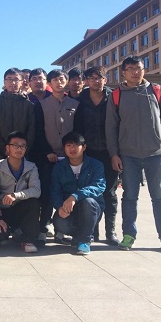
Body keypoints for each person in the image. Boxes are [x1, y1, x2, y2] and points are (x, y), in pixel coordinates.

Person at [106, 56, 161, 253]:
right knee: (129, 197)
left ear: (143, 70)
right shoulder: (117, 95)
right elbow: (111, 128)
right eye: (130, 69)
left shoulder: (156, 90)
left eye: (138, 68)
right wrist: (114, 154)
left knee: (160, 196)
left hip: (156, 153)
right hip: (128, 155)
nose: (135, 72)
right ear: (123, 73)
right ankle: (129, 235)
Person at [73, 66, 119, 245]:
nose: (95, 81)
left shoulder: (114, 97)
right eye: (91, 78)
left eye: (99, 77)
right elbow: (77, 129)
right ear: (86, 81)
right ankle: (92, 231)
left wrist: (117, 152)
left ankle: (110, 231)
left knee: (110, 193)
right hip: (89, 153)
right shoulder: (80, 101)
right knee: (90, 192)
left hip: (110, 152)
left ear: (105, 80)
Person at [34, 69, 79, 245]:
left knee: (66, 193)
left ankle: (62, 230)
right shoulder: (41, 105)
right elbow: (38, 131)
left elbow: (78, 131)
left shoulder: (75, 104)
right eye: (55, 80)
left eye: (61, 79)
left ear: (66, 81)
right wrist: (47, 151)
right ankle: (43, 229)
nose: (58, 83)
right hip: (49, 157)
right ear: (49, 84)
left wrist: (72, 152)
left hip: (69, 158)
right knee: (46, 194)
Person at [50, 132, 105, 255]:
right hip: (69, 211)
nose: (72, 149)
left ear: (84, 147)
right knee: (59, 222)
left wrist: (75, 196)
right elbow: (54, 191)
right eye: (68, 145)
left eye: (76, 145)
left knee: (88, 202)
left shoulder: (96, 165)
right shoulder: (59, 168)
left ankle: (84, 241)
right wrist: (59, 207)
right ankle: (78, 236)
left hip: (91, 210)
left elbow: (98, 186)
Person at [0, 131, 41, 253]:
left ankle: (28, 240)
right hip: (3, 209)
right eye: (15, 145)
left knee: (33, 203)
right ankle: (13, 232)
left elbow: (36, 190)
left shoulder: (31, 167)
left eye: (22, 146)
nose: (19, 149)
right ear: (7, 148)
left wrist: (15, 195)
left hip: (21, 208)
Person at [0, 68, 35, 160]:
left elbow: (31, 130)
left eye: (16, 79)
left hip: (23, 154)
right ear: (4, 82)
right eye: (9, 79)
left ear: (22, 82)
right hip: (0, 154)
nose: (13, 83)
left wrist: (22, 149)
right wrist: (4, 149)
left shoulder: (28, 105)